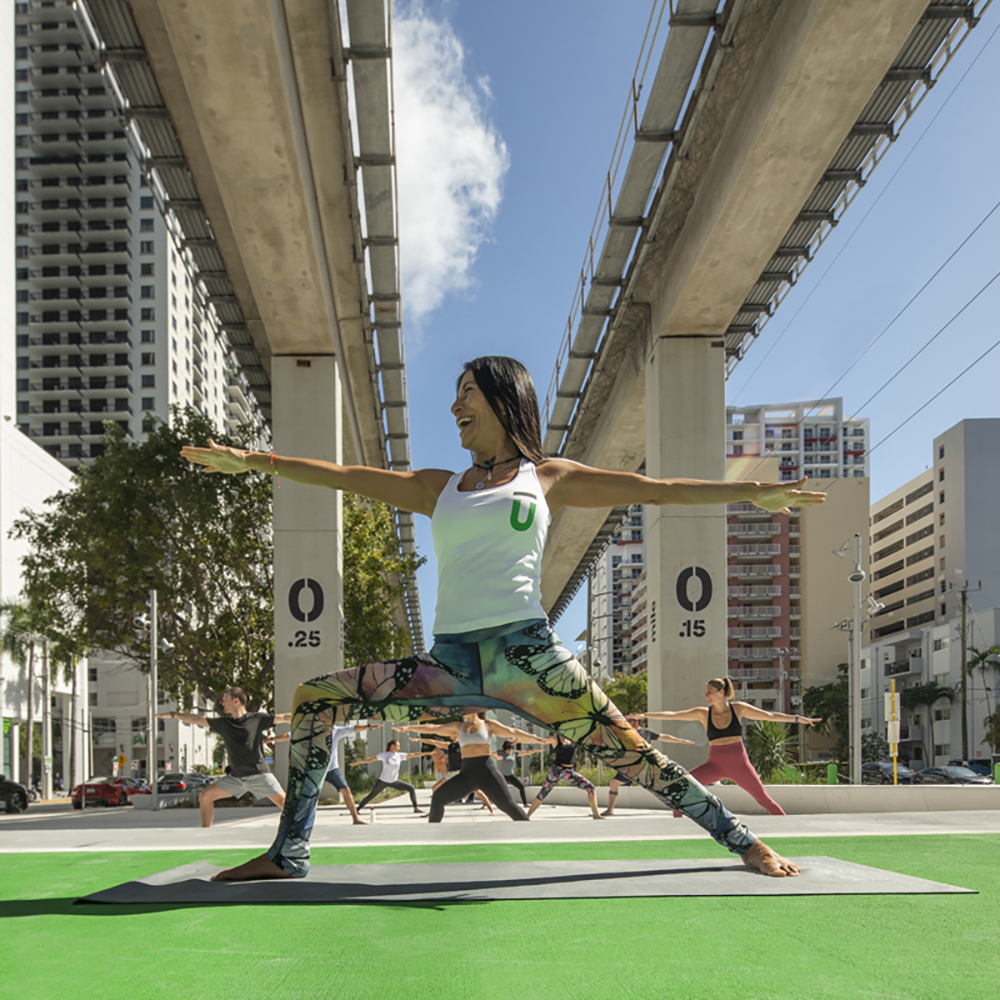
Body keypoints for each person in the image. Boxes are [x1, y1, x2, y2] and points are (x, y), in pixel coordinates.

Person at [182, 355, 824, 880]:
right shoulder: (439, 487)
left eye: (466, 393)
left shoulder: (549, 477)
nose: (454, 407)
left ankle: (744, 842)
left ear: (501, 398)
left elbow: (660, 489)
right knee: (314, 697)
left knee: (638, 758)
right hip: (449, 664)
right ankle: (287, 854)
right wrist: (257, 461)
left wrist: (750, 490)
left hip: (532, 661)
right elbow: (347, 476)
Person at [632, 677, 821, 816]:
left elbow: (770, 716)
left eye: (709, 692)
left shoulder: (738, 709)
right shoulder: (703, 713)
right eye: (705, 692)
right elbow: (673, 715)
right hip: (715, 765)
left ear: (721, 692)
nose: (706, 695)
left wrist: (799, 719)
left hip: (740, 765)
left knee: (764, 800)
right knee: (681, 789)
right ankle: (679, 832)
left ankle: (789, 828)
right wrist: (645, 715)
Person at [158, 687, 289, 828]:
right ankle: (205, 832)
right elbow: (196, 719)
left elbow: (284, 717)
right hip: (236, 778)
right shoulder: (224, 724)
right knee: (205, 796)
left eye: (226, 700)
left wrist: (305, 717)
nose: (223, 703)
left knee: (285, 803)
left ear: (236, 701)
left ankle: (300, 829)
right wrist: (174, 714)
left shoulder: (256, 719)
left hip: (258, 774)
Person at [394, 711, 549, 821]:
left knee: (508, 806)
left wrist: (537, 739)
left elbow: (512, 731)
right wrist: (408, 728)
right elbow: (433, 728)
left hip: (488, 772)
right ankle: (432, 841)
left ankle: (530, 835)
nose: (462, 709)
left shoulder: (488, 725)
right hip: (467, 774)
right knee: (438, 798)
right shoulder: (458, 727)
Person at [602, 728, 694, 816]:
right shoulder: (624, 732)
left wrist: (681, 741)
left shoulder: (646, 732)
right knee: (614, 783)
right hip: (631, 767)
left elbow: (663, 737)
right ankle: (610, 809)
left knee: (663, 786)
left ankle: (683, 805)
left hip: (646, 767)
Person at [526, 733, 603, 819]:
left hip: (569, 771)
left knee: (591, 788)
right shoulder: (555, 739)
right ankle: (527, 816)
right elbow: (541, 740)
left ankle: (596, 815)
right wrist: (527, 741)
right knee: (543, 793)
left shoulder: (571, 738)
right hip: (557, 771)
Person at [324, 718, 382, 824]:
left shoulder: (335, 731)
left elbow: (352, 728)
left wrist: (369, 726)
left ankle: (355, 819)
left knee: (346, 790)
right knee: (307, 795)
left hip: (332, 770)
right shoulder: (310, 731)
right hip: (314, 770)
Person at [353, 740, 432, 814]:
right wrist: (357, 762)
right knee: (371, 796)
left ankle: (416, 808)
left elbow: (413, 755)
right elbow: (370, 759)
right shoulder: (384, 755)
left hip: (394, 781)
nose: (399, 748)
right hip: (383, 781)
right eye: (398, 746)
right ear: (392, 746)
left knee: (411, 788)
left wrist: (426, 753)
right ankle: (357, 810)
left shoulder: (399, 755)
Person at [495, 739, 534, 808]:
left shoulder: (514, 753)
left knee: (521, 787)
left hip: (510, 775)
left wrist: (536, 751)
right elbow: (489, 753)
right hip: (502, 775)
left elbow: (525, 752)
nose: (514, 747)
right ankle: (486, 803)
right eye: (512, 745)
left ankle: (525, 803)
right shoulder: (500, 752)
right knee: (495, 789)